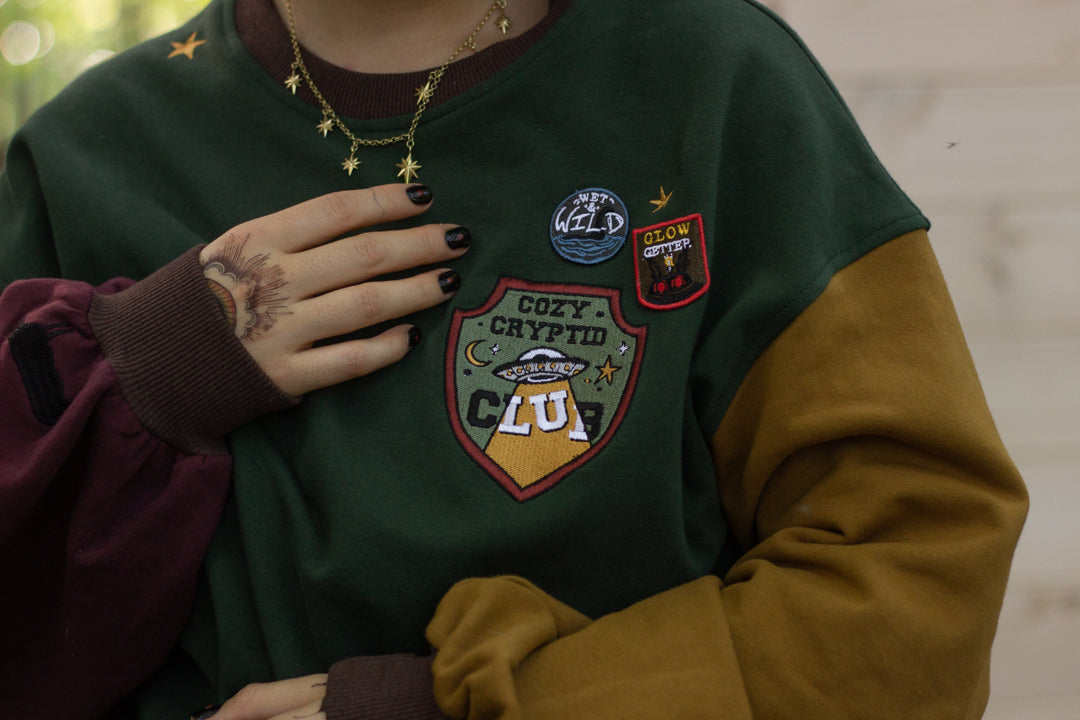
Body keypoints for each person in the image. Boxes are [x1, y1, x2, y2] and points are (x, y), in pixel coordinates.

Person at [0, 0, 1028, 718]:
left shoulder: (716, 84)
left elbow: (920, 580)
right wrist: (142, 373)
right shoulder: (84, 156)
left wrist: (483, 707)